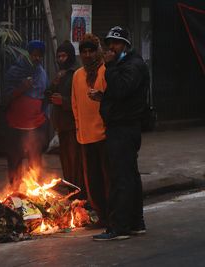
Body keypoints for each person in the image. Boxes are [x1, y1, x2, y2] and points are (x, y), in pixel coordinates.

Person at [93, 26, 149, 241]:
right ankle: (135, 223)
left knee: (121, 178)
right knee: (129, 176)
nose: (111, 48)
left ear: (125, 45)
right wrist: (103, 98)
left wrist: (109, 66)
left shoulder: (130, 65)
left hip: (124, 128)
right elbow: (119, 95)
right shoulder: (125, 64)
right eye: (110, 44)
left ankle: (120, 227)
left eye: (116, 44)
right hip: (123, 126)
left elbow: (121, 89)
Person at [71, 33, 110, 227]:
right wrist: (79, 128)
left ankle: (112, 216)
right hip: (85, 136)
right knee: (92, 181)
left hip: (103, 135)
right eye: (84, 52)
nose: (87, 55)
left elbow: (112, 100)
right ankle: (102, 215)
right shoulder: (78, 75)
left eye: (91, 51)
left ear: (98, 52)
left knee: (108, 179)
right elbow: (75, 105)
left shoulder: (106, 71)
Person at [3, 40, 49, 191]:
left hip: (35, 125)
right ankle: (14, 193)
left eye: (39, 56)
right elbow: (7, 97)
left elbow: (44, 97)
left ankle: (35, 193)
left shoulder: (41, 74)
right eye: (33, 55)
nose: (36, 58)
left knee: (35, 162)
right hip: (15, 125)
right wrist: (22, 88)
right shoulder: (14, 72)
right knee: (15, 161)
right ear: (27, 54)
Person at [45, 40, 85, 198]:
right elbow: (47, 95)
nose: (61, 59)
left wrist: (64, 101)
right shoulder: (59, 75)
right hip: (61, 126)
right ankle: (71, 192)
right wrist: (54, 84)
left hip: (73, 125)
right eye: (59, 56)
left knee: (75, 163)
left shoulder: (76, 74)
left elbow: (80, 100)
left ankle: (79, 194)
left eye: (64, 56)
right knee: (66, 163)